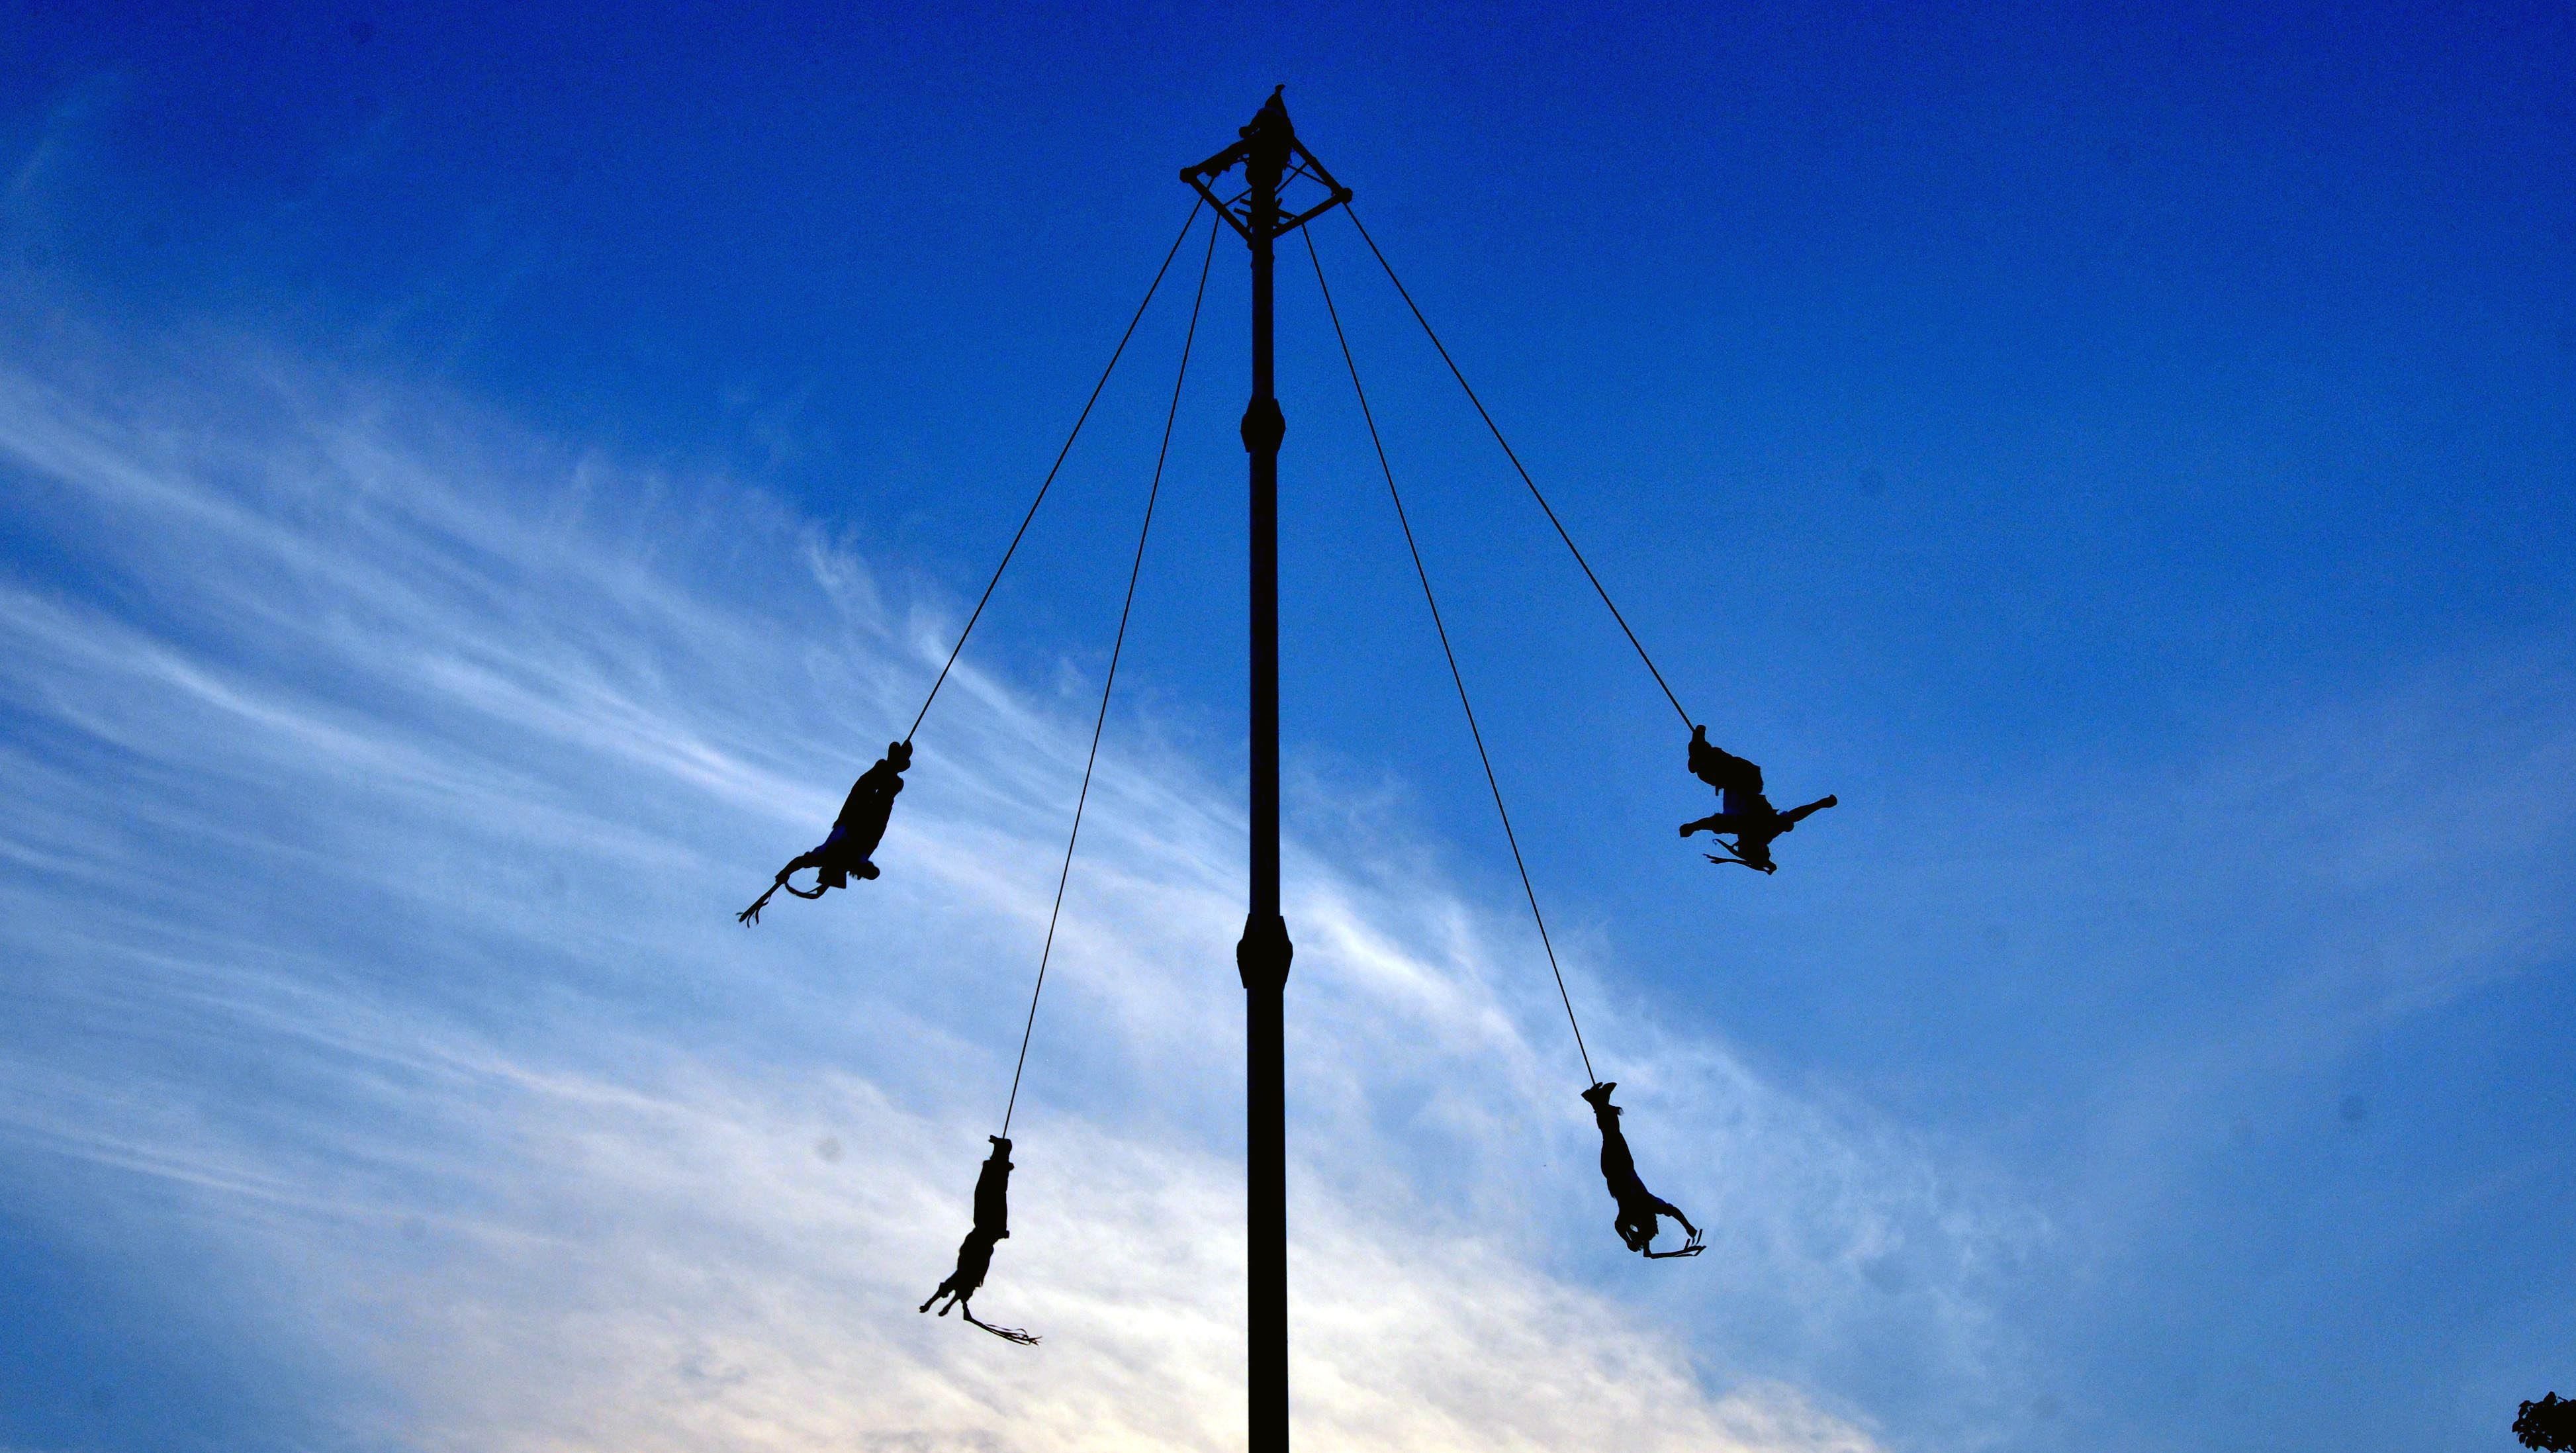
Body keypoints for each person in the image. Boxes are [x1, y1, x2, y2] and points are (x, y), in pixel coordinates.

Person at [737, 740, 912, 924]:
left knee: (874, 785)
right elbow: (872, 872)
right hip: (868, 819)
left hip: (856, 814)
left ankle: (891, 768)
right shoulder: (849, 861)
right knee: (883, 787)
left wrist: (785, 873)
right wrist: (786, 873)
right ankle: (892, 768)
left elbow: (800, 862)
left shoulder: (828, 857)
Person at [919, 1135, 1039, 1344]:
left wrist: (933, 1305)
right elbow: (952, 1292)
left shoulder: (963, 1276)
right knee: (993, 1190)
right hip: (989, 1227)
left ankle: (1000, 1152)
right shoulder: (970, 1275)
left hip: (985, 1226)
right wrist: (938, 1306)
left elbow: (947, 1291)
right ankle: (1003, 1151)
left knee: (986, 1189)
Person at [1679, 725, 1835, 874]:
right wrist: (1820, 804)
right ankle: (1700, 751)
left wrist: (1693, 827)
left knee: (1705, 771)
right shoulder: (1766, 829)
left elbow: (1711, 823)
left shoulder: (1739, 826)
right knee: (1712, 767)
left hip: (1731, 780)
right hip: (1747, 778)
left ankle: (1699, 753)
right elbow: (1795, 816)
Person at [1582, 1082, 1703, 1259]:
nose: (1655, 1218)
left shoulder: (1645, 1206)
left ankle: (1599, 1102)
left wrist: (1687, 1226)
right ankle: (1598, 1101)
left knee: (1612, 1134)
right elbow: (1667, 1214)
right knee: (1611, 1134)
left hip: (1619, 1168)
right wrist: (1635, 1242)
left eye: (1653, 1221)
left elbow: (1670, 1213)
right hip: (1615, 1170)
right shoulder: (1640, 1210)